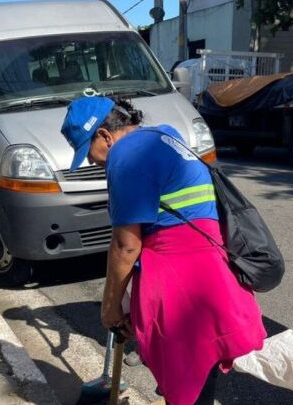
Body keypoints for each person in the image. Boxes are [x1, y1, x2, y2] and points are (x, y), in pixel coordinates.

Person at [61, 97, 266, 405]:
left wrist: (110, 307)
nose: (92, 162)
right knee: (201, 380)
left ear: (104, 135)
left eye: (88, 152)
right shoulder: (165, 135)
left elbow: (126, 245)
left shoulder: (126, 156)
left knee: (186, 385)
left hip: (180, 286)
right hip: (213, 277)